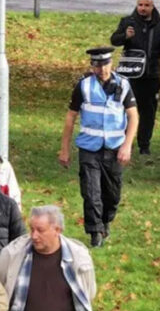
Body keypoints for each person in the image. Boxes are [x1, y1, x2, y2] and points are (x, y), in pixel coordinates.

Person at [59, 47, 138, 247]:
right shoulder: (84, 86)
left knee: (112, 194)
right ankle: (95, 232)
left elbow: (133, 116)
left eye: (105, 64)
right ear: (92, 66)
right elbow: (70, 118)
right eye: (97, 65)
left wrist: (127, 146)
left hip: (114, 148)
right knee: (91, 192)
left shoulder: (123, 84)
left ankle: (105, 221)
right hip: (90, 149)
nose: (102, 69)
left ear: (111, 64)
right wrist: (65, 149)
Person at [109, 0, 160, 155]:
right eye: (140, 5)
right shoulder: (128, 22)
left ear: (152, 7)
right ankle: (124, 142)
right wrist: (125, 36)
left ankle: (144, 145)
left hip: (151, 75)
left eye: (146, 5)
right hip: (130, 75)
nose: (143, 8)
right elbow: (114, 41)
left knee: (148, 111)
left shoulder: (158, 24)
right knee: (127, 109)